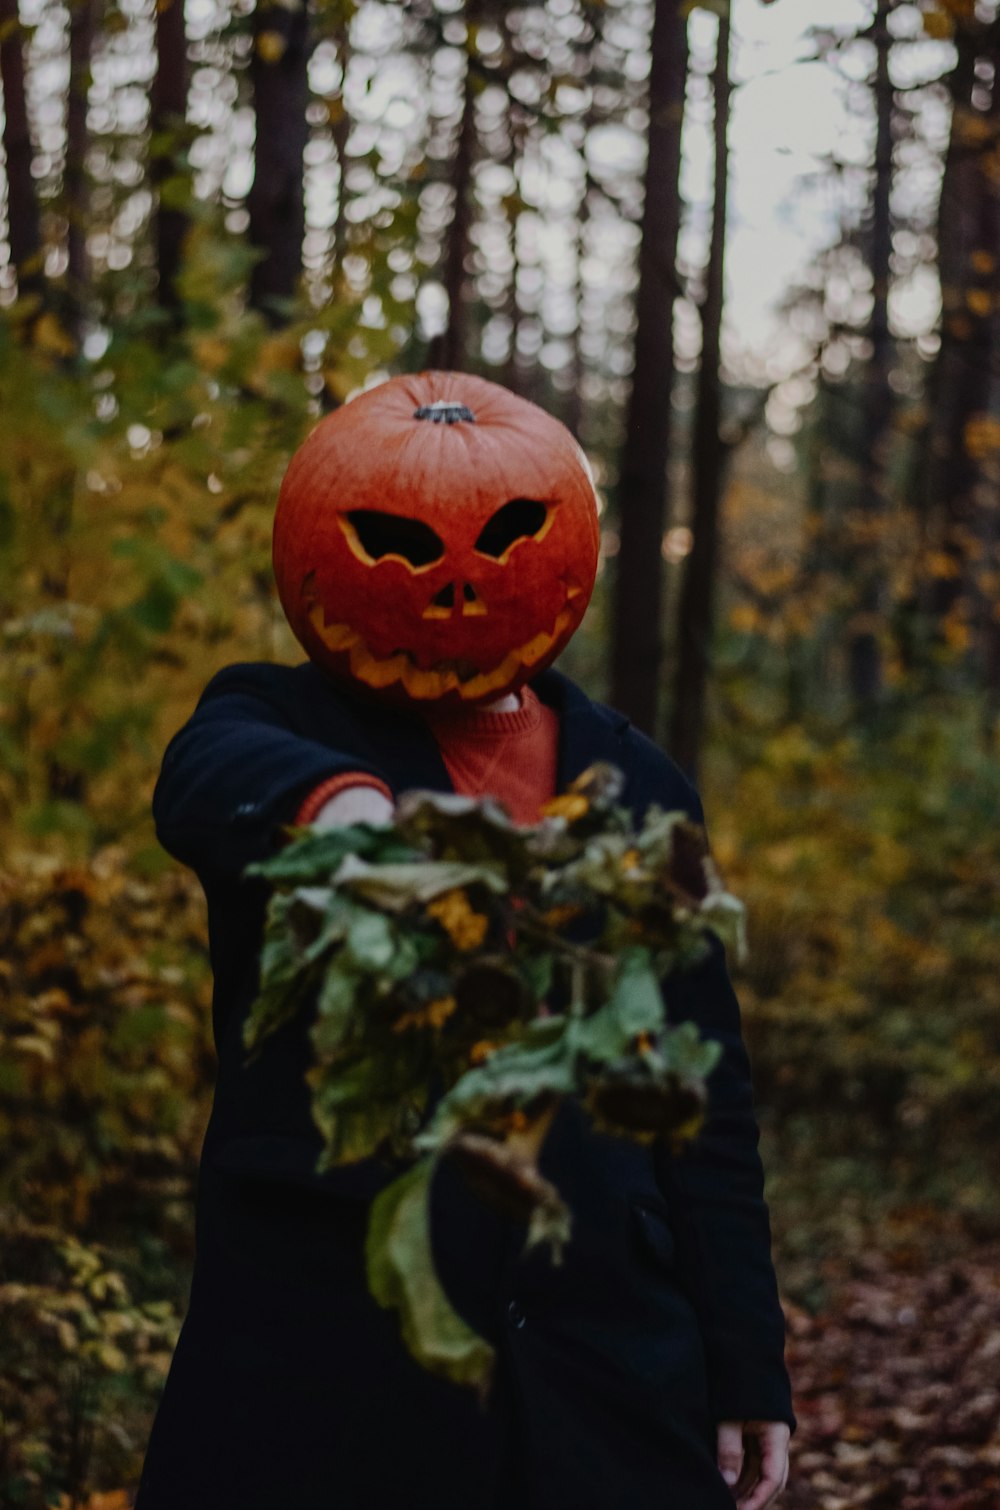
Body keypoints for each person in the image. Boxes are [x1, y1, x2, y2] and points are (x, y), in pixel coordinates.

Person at [135, 371, 794, 1510]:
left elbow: (704, 1097)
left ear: (564, 546)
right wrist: (344, 813)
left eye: (504, 537)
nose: (450, 581)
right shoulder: (275, 722)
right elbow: (204, 782)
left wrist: (746, 1358)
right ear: (318, 549)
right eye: (395, 541)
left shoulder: (636, 782)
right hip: (329, 1348)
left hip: (602, 1356)